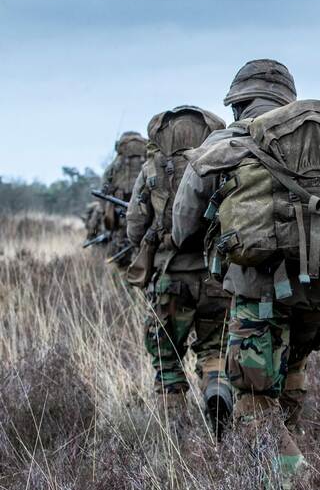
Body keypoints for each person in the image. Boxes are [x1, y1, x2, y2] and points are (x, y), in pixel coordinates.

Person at [172, 59, 320, 487]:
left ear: (238, 103)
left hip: (259, 296)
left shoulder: (231, 140)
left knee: (254, 398)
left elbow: (183, 226)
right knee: (292, 370)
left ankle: (287, 477)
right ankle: (291, 450)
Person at [125, 106, 233, 433]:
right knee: (216, 351)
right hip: (217, 278)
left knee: (167, 361)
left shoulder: (152, 169)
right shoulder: (224, 162)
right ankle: (216, 390)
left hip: (171, 280)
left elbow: (134, 225)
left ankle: (176, 439)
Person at [101, 131, 147, 268]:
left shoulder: (116, 164)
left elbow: (105, 187)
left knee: (121, 240)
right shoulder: (147, 159)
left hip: (120, 210)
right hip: (143, 208)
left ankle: (122, 273)